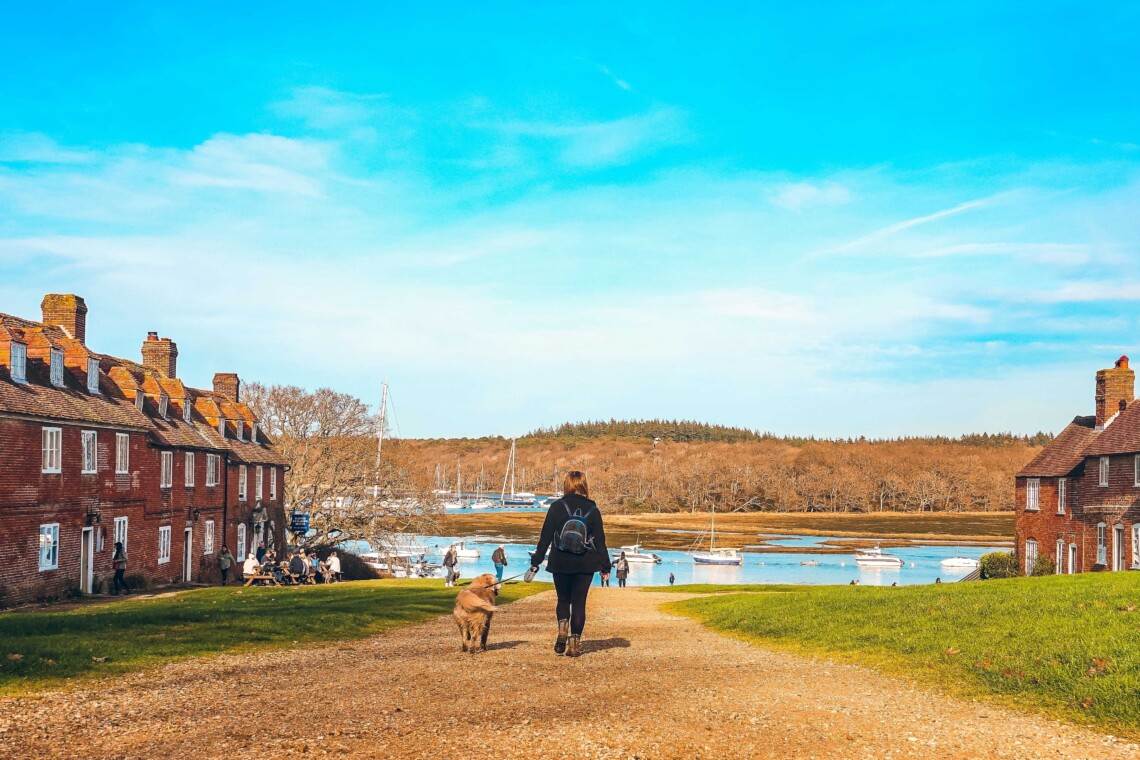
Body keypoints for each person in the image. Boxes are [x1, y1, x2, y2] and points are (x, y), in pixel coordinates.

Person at [529, 470, 610, 658]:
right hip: (585, 563)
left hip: (561, 561)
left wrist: (536, 561)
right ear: (584, 486)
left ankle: (562, 630)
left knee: (563, 600)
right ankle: (574, 645)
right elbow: (601, 542)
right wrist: (605, 566)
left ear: (567, 485)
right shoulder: (593, 510)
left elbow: (545, 538)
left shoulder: (557, 507)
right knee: (579, 603)